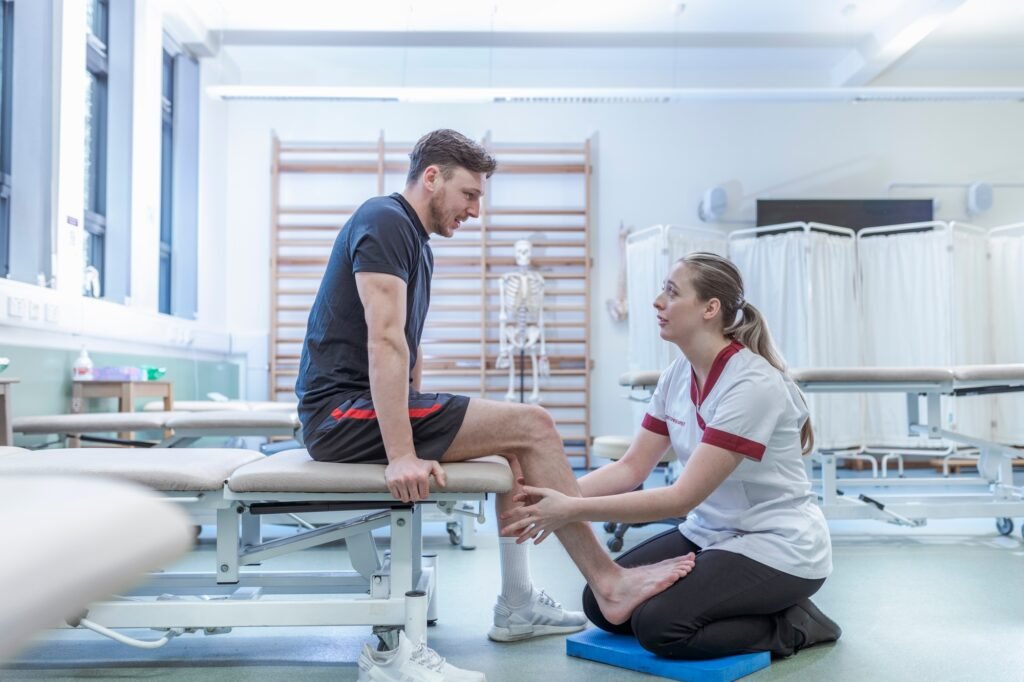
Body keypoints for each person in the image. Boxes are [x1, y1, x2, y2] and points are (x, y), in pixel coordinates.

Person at [298, 129, 684, 653]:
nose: (475, 211)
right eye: (470, 195)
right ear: (431, 177)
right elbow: (384, 339)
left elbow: (408, 348)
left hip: (362, 408)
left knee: (513, 441)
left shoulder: (418, 244)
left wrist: (420, 425)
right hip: (338, 415)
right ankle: (609, 583)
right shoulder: (384, 220)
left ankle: (518, 603)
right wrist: (402, 454)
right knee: (535, 424)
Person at [501, 252, 841, 660]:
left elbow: (682, 498)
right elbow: (631, 468)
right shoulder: (677, 375)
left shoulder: (752, 386)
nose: (657, 302)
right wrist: (545, 494)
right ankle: (741, 601)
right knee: (603, 604)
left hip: (777, 544)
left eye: (672, 293)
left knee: (661, 627)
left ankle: (796, 624)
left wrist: (570, 508)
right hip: (711, 533)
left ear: (709, 309)